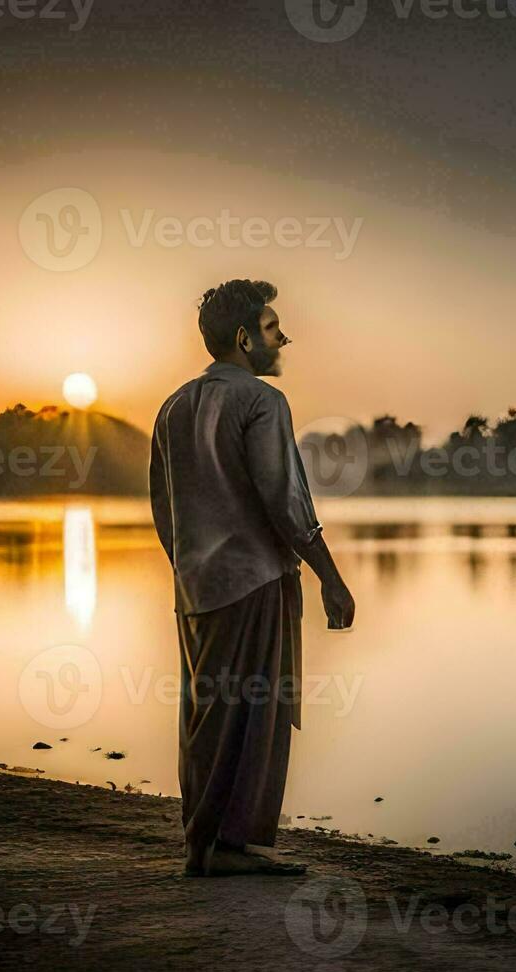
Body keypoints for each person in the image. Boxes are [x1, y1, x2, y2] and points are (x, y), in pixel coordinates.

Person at [149, 279, 356, 877]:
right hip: (254, 581)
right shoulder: (263, 402)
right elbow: (285, 502)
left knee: (209, 712)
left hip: (197, 587)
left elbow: (164, 508)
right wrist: (330, 578)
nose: (282, 337)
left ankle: (208, 842)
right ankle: (222, 847)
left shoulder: (173, 405)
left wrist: (188, 567)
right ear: (243, 338)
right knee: (252, 715)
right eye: (271, 328)